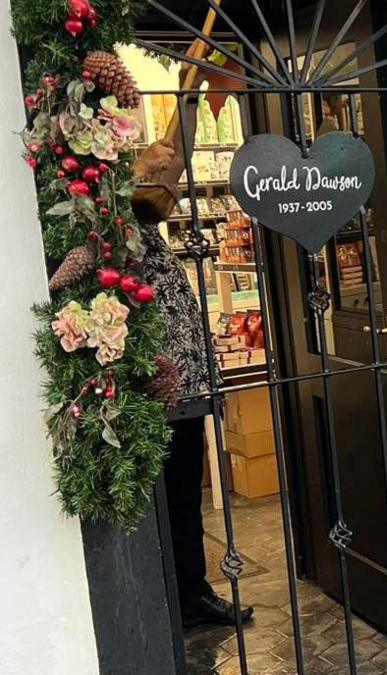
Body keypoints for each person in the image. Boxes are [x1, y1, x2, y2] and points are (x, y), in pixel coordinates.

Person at [132, 64, 254, 630]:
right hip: (152, 385)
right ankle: (171, 600)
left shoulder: (145, 223)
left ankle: (190, 593)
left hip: (184, 384)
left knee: (184, 494)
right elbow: (164, 162)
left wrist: (193, 90)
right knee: (162, 497)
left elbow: (172, 160)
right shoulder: (107, 224)